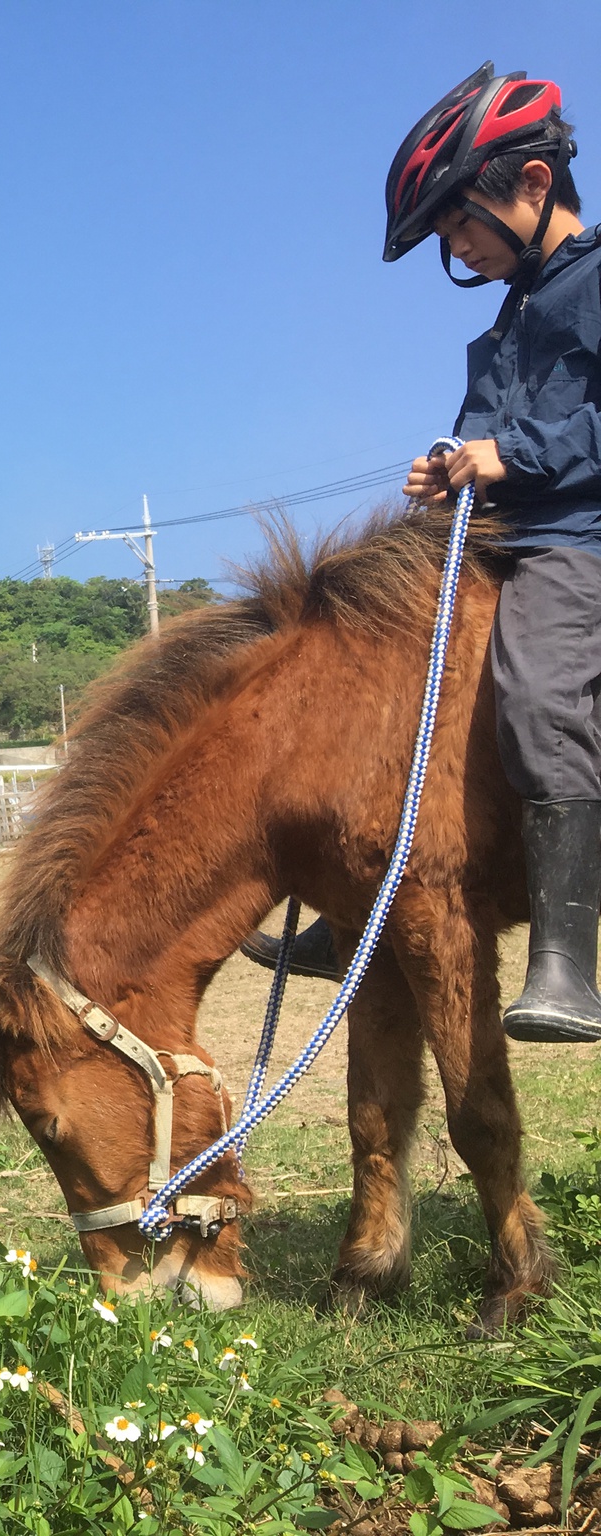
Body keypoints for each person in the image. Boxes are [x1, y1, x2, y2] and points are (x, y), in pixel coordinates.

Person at [242, 63, 601, 1042]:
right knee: (373, 679)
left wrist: (512, 453)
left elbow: (551, 439)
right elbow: (481, 436)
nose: (455, 246)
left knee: (535, 693)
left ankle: (566, 960)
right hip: (492, 534)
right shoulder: (511, 314)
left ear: (530, 183)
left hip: (575, 541)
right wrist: (447, 465)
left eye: (458, 224)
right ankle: (360, 905)